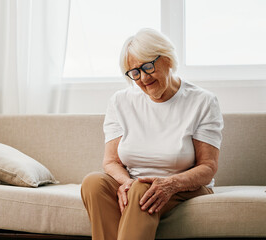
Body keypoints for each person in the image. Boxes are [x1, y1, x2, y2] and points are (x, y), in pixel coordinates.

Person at [81, 28, 224, 240]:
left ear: (167, 58)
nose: (143, 78)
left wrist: (171, 184)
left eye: (148, 66)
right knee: (93, 183)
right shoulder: (120, 102)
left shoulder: (203, 101)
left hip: (184, 187)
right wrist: (126, 183)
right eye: (135, 72)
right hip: (136, 184)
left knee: (142, 190)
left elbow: (208, 168)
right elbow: (111, 161)